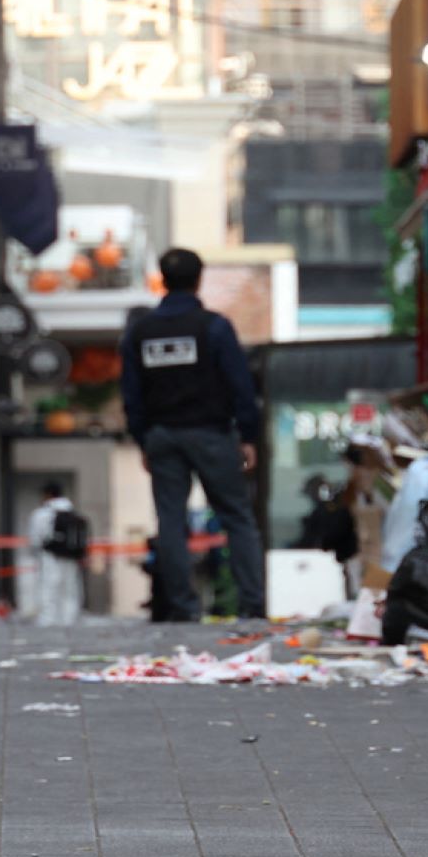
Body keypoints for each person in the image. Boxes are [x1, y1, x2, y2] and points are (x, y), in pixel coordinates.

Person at [120, 247, 267, 621]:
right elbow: (240, 385)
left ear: (163, 279)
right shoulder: (214, 327)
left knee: (171, 520)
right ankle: (252, 605)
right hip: (211, 435)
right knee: (236, 517)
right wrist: (248, 434)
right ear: (199, 279)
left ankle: (183, 608)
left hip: (163, 436)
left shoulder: (141, 331)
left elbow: (131, 393)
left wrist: (143, 439)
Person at [27, 482, 85, 627]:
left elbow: (35, 538)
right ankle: (69, 619)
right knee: (70, 589)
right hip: (71, 558)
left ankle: (48, 620)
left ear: (47, 495)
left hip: (50, 556)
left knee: (49, 588)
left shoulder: (42, 514)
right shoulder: (73, 512)